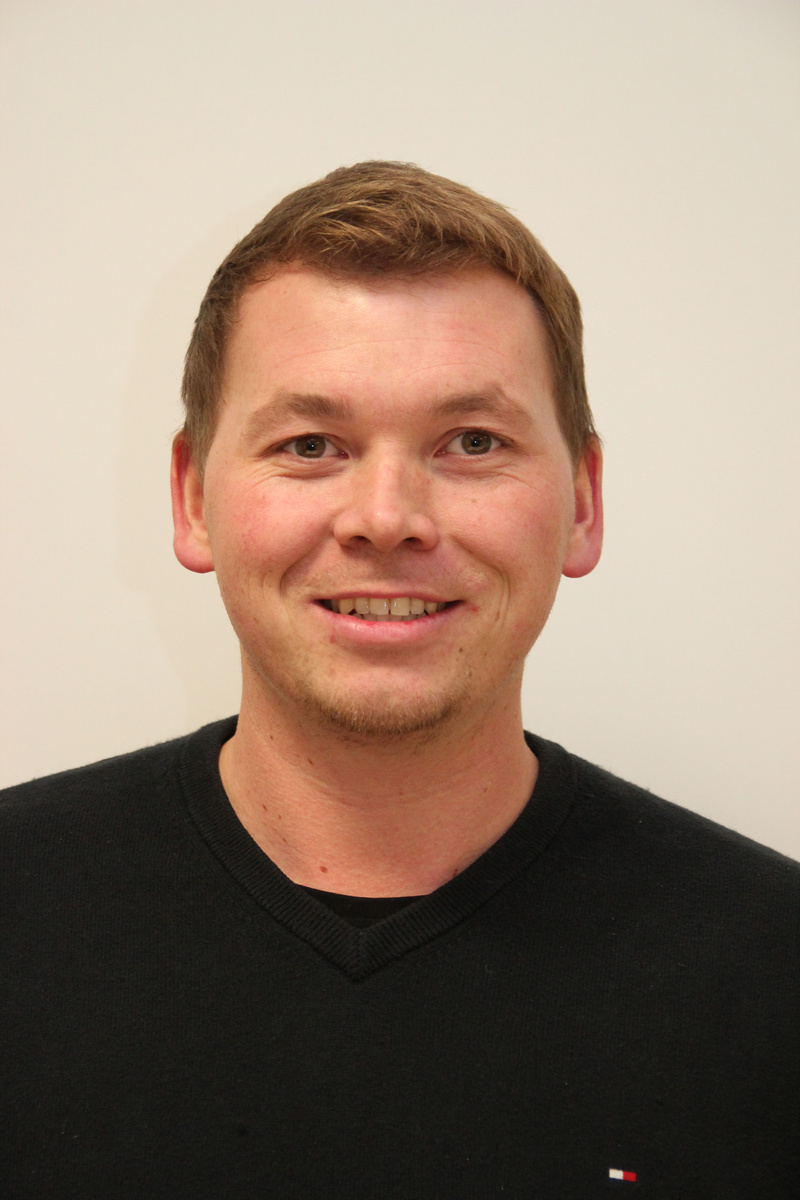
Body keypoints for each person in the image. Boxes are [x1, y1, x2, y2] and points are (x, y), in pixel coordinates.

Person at [1, 162, 797, 1199]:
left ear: (583, 502)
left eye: (471, 442)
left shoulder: (771, 972)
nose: (386, 517)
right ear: (192, 497)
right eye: (310, 445)